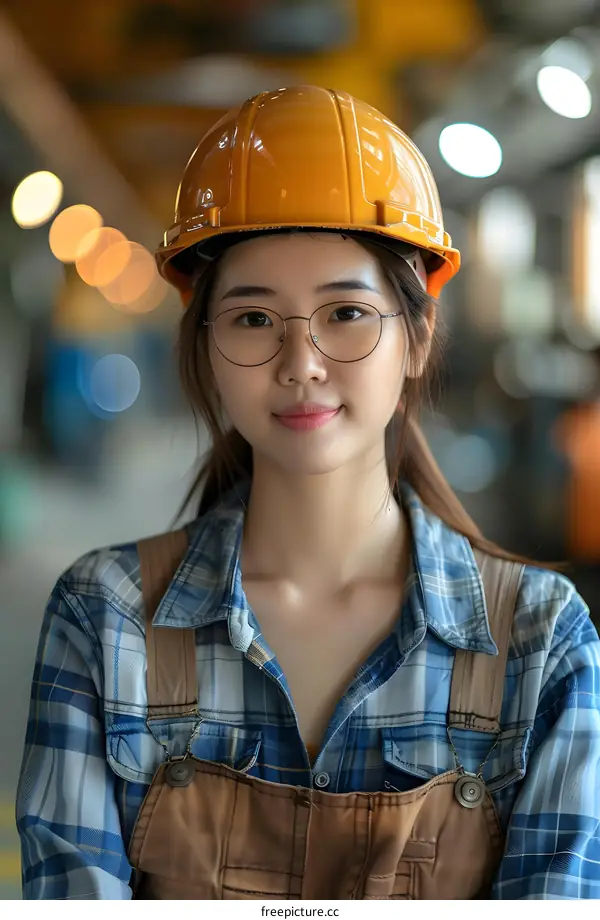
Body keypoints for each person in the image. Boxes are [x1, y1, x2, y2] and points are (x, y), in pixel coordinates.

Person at [16, 85, 600, 900]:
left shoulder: (542, 646)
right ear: (207, 346)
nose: (302, 363)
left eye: (347, 313)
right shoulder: (105, 621)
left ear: (419, 337)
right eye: (254, 320)